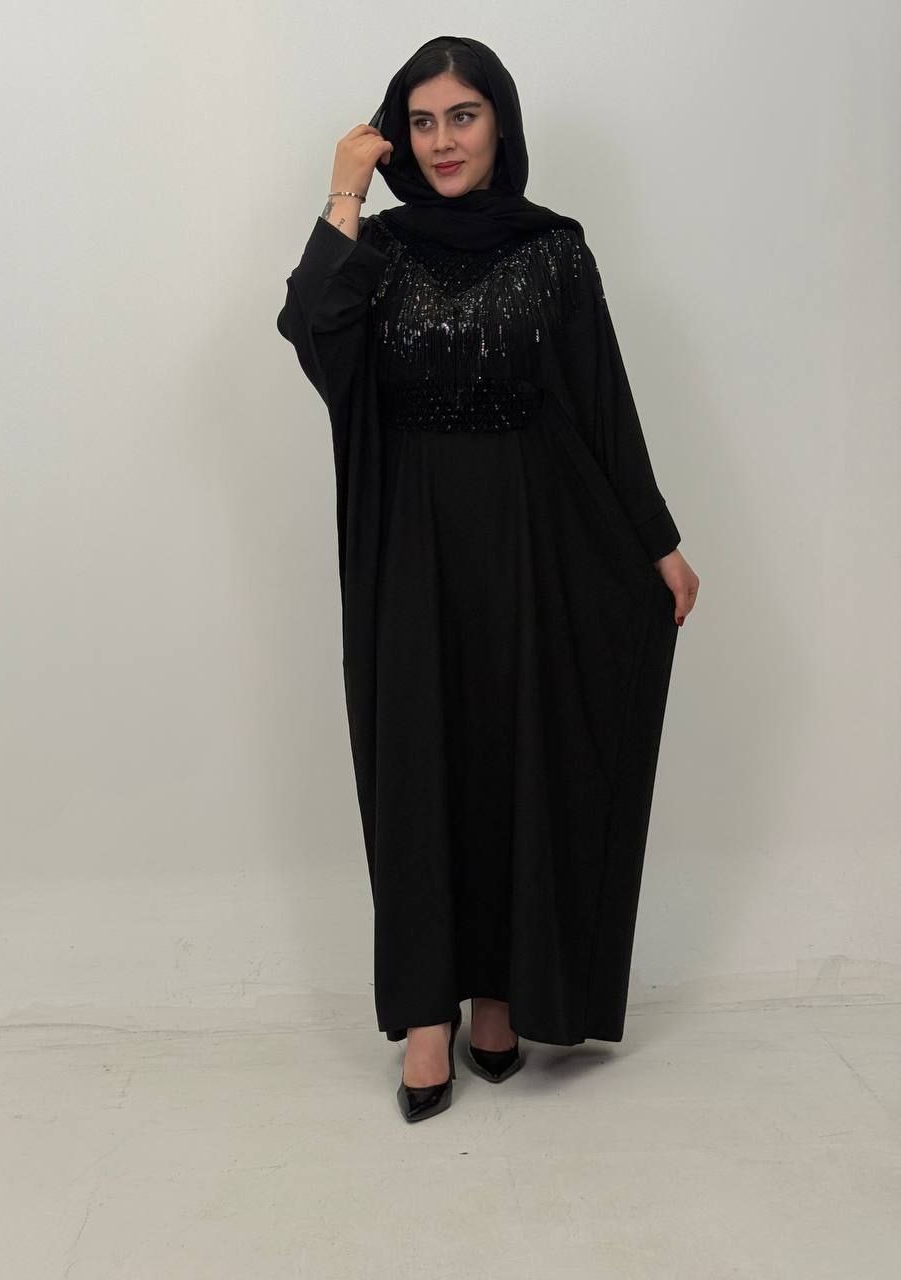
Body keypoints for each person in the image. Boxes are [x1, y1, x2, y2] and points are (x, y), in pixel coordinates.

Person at [276, 35, 700, 1123]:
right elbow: (312, 332)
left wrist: (656, 541)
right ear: (396, 136)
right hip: (408, 546)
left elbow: (602, 401)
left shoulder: (553, 251)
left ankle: (500, 999)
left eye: (462, 116)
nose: (442, 141)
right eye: (420, 122)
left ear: (499, 124)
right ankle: (428, 1017)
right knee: (417, 766)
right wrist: (342, 190)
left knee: (516, 757)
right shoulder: (375, 251)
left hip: (527, 543)